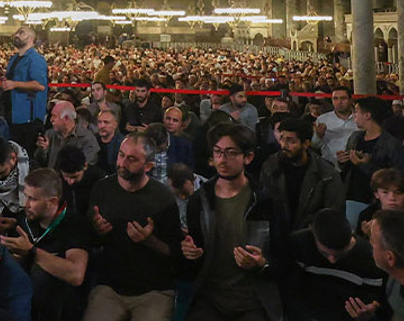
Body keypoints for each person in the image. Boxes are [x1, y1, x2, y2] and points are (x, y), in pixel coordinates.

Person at [180, 123, 276, 321]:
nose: (222, 160)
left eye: (231, 153)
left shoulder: (265, 201)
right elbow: (193, 265)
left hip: (253, 298)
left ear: (247, 157)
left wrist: (262, 263)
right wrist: (189, 255)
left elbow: (283, 256)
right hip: (210, 297)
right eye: (218, 152)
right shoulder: (200, 200)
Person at [86, 132, 184, 321]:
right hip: (111, 288)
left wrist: (150, 241)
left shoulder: (162, 198)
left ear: (148, 166)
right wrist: (97, 231)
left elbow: (176, 253)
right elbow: (90, 241)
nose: (122, 163)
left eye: (131, 159)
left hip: (153, 290)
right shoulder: (102, 189)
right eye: (121, 155)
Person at [0, 168, 91, 321]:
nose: (26, 204)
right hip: (24, 304)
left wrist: (32, 252)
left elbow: (76, 274)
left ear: (52, 201)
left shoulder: (75, 225)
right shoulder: (25, 220)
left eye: (33, 199)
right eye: (26, 196)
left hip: (60, 307)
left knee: (41, 274)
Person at [284, 208, 385, 321]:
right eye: (324, 253)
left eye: (340, 254)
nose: (332, 260)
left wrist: (370, 313)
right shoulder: (299, 245)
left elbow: (376, 300)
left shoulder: (371, 259)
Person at [260, 116, 343, 239]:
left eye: (291, 141)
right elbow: (263, 204)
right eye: (282, 139)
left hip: (311, 238)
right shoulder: (271, 165)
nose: (284, 145)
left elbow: (334, 214)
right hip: (276, 235)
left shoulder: (327, 174)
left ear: (306, 144)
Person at [340, 97, 404, 218]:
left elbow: (401, 177)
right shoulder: (355, 138)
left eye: (356, 111)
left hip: (379, 202)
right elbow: (348, 168)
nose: (354, 115)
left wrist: (365, 165)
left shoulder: (392, 144)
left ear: (367, 115)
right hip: (353, 196)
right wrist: (343, 160)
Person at [2, 26, 49, 155]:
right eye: (16, 32)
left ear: (30, 39)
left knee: (24, 156)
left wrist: (14, 84)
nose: (16, 34)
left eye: (21, 33)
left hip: (27, 118)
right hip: (12, 116)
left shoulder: (36, 59)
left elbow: (40, 85)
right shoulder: (14, 59)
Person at [37, 101, 100, 170]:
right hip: (51, 178)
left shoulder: (88, 139)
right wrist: (42, 150)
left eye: (54, 116)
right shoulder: (50, 134)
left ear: (66, 118)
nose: (51, 120)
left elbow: (86, 167)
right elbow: (39, 161)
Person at [57, 146, 104, 218]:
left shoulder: (99, 181)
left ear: (85, 166)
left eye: (74, 177)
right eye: (66, 177)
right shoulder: (57, 180)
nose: (70, 182)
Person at [314, 87, 357, 165]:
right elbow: (314, 145)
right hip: (330, 164)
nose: (339, 102)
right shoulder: (323, 119)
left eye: (343, 98)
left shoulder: (359, 119)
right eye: (335, 98)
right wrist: (318, 135)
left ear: (351, 100)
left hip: (355, 164)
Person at [95, 109, 122, 174]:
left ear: (115, 125)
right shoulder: (92, 140)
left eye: (106, 122)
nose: (102, 126)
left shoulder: (122, 144)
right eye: (99, 122)